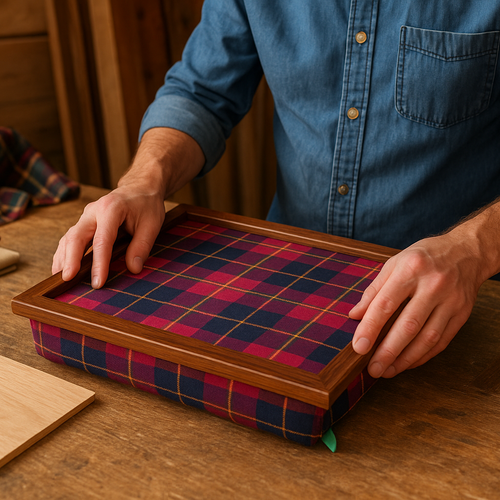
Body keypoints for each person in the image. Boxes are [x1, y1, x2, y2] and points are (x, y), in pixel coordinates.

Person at [53, 1, 500, 380]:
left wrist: (475, 247)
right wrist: (143, 181)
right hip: (286, 279)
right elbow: (202, 92)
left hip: (466, 301)